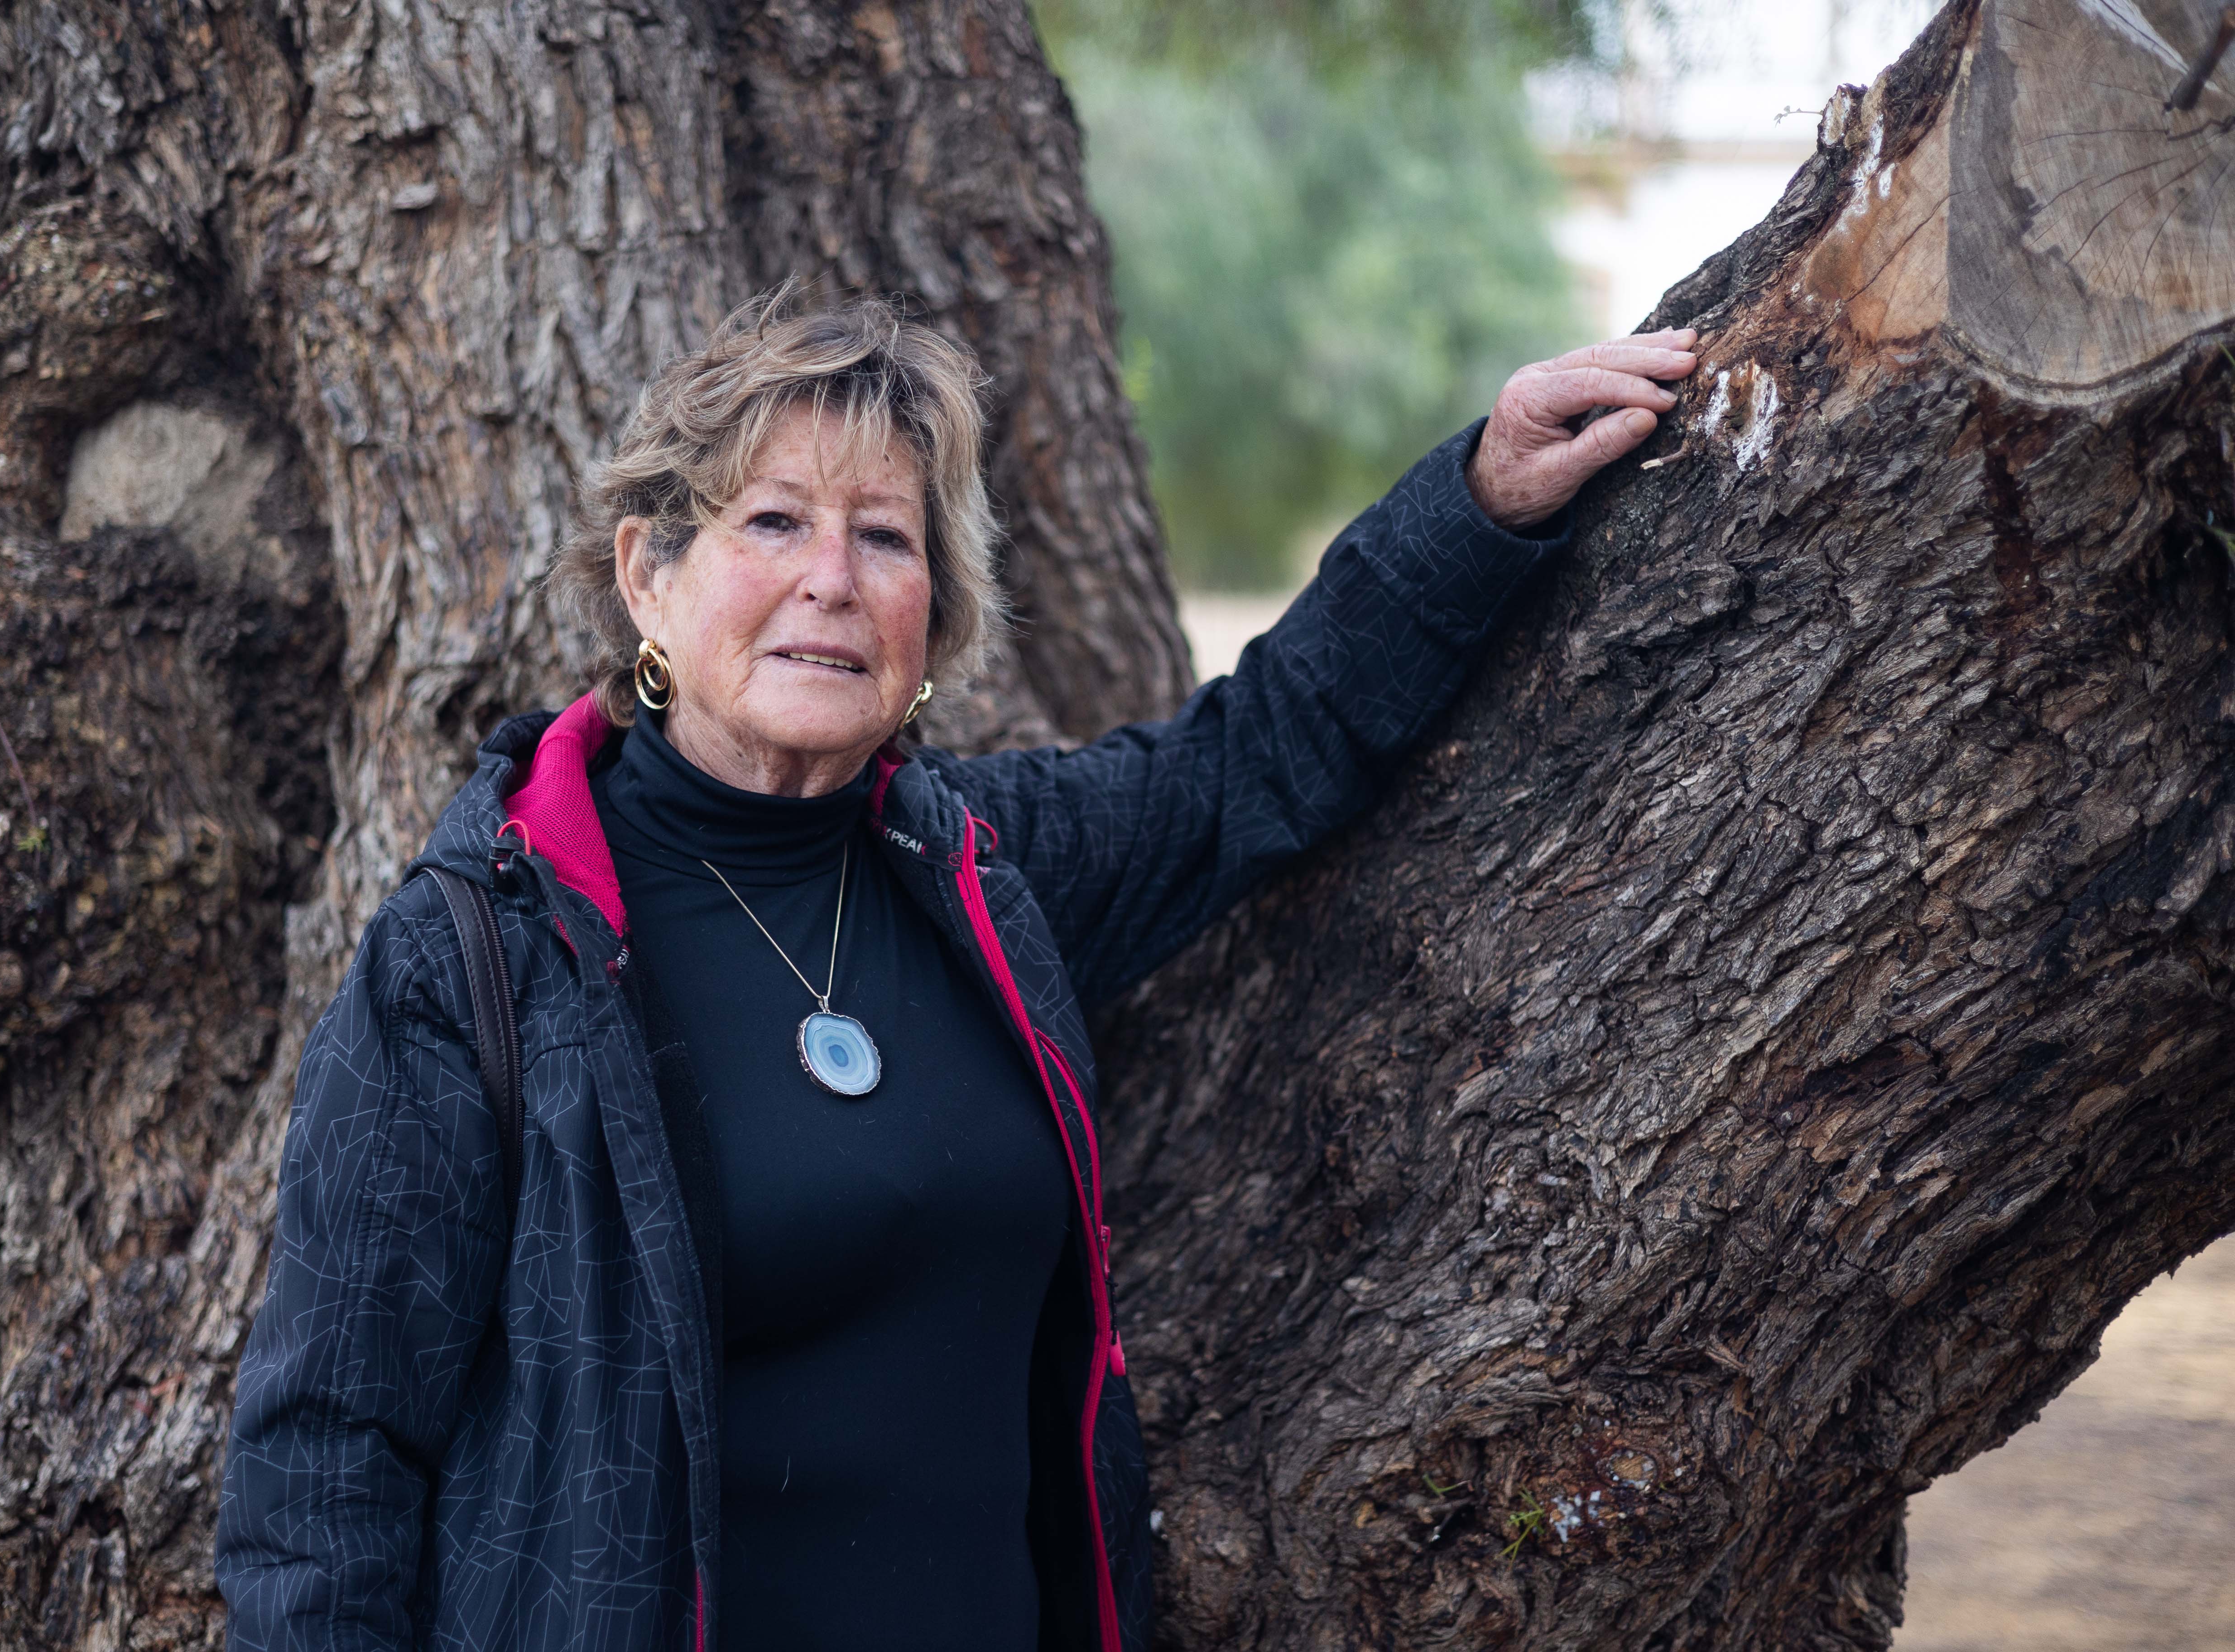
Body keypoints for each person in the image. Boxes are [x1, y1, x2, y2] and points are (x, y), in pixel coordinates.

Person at [214, 288, 1696, 1652]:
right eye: (776, 523)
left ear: (936, 614)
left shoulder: (984, 872)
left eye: (886, 536)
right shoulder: (479, 950)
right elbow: (325, 1455)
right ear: (649, 580)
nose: (834, 583)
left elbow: (1256, 757)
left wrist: (1484, 500)